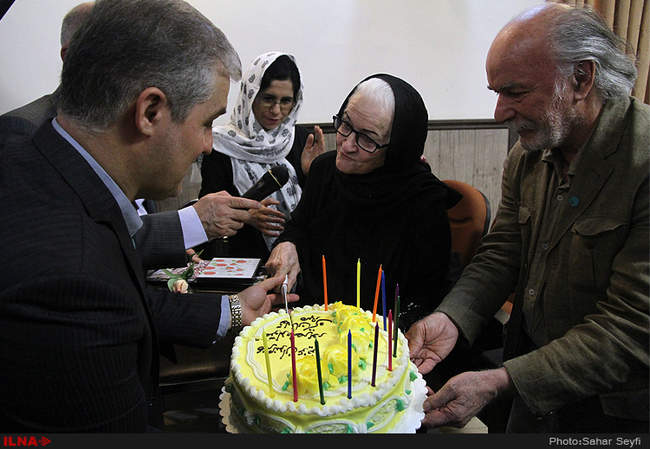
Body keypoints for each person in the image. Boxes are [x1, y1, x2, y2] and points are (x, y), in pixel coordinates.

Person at [0, 0, 298, 432]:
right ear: (150, 112)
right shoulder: (72, 277)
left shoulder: (42, 158)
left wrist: (230, 310)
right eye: (207, 123)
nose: (209, 145)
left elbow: (130, 292)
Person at [406, 3, 649, 433]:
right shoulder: (528, 156)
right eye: (496, 92)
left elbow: (631, 325)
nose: (499, 112)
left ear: (581, 79)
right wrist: (452, 317)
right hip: (530, 386)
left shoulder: (641, 162)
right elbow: (503, 253)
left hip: (613, 411)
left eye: (515, 92)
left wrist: (502, 380)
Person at [0, 1, 257, 271]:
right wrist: (192, 223)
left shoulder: (132, 150)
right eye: (206, 123)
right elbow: (80, 254)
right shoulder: (23, 133)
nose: (208, 145)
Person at [265, 74, 460, 331]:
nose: (346, 145)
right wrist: (288, 244)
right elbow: (299, 226)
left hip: (378, 337)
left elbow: (427, 296)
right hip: (313, 323)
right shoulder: (324, 170)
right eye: (345, 124)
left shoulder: (423, 200)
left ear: (397, 148)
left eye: (367, 139)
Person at [199, 51, 326, 261]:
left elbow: (315, 209)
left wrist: (312, 174)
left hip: (297, 255)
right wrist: (247, 216)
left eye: (286, 101)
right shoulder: (221, 145)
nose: (276, 110)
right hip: (243, 256)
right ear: (251, 95)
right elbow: (209, 211)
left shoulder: (301, 139)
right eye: (268, 98)